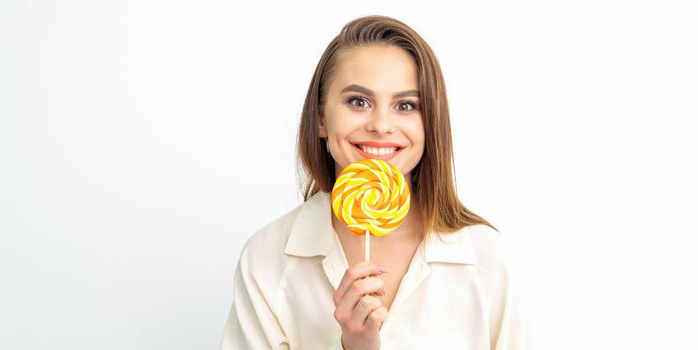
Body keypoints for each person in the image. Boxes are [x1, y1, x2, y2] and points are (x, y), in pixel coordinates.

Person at [220, 15, 527, 349]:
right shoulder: (268, 258)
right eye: (358, 101)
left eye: (406, 105)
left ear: (430, 124)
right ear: (321, 117)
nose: (381, 125)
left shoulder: (485, 257)